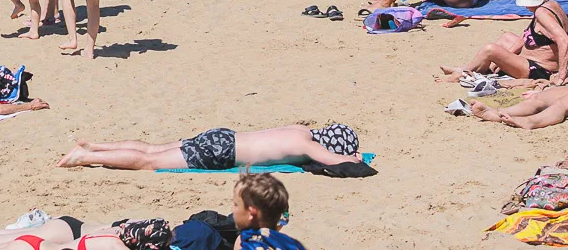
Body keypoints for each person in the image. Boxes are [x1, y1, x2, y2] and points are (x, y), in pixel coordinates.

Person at [58, 120, 361, 171]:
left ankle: (95, 146)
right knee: (148, 163)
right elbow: (333, 161)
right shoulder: (308, 146)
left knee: (151, 148)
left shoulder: (301, 130)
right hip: (223, 153)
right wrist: (354, 159)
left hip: (223, 137)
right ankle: (86, 157)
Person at [438, 0, 568, 83]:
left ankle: (461, 75)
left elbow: (564, 40)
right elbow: (526, 37)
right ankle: (473, 69)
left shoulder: (542, 14)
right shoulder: (552, 5)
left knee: (490, 49)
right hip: (533, 60)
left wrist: (561, 75)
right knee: (506, 37)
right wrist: (506, 57)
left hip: (539, 70)